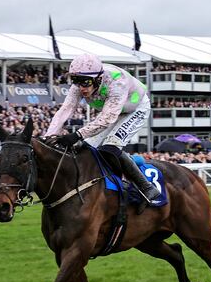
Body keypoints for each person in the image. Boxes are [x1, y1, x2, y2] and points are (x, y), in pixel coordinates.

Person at [45, 53, 160, 207]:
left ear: (98, 78)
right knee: (85, 148)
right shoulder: (80, 84)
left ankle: (145, 187)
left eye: (85, 82)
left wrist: (77, 134)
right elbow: (65, 111)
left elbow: (106, 119)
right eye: (76, 81)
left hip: (136, 109)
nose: (81, 88)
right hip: (114, 112)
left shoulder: (117, 82)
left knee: (110, 147)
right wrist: (48, 137)